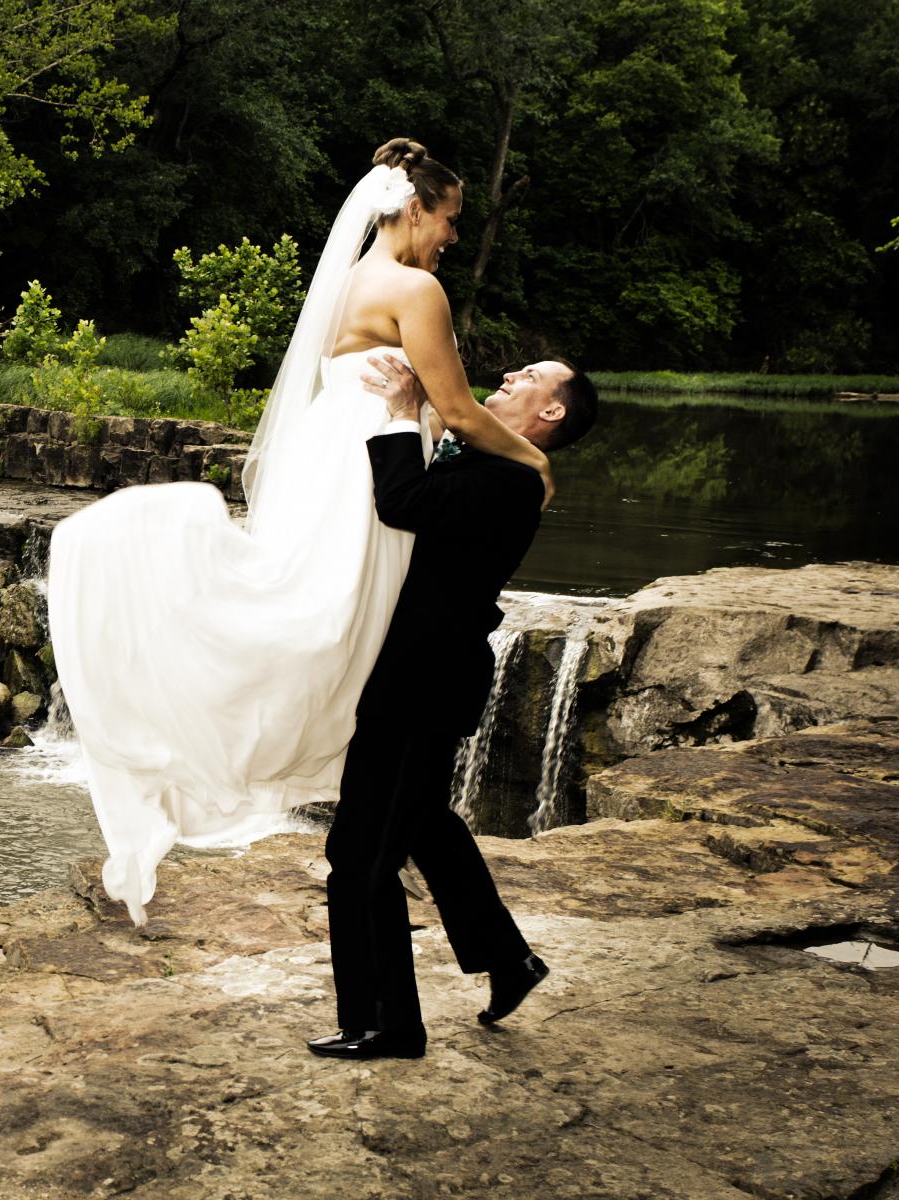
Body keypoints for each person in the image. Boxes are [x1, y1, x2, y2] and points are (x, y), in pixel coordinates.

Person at [47, 138, 550, 925]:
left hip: (330, 452)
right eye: (450, 218)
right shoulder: (416, 289)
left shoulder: (350, 278)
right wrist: (532, 463)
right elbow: (456, 410)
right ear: (414, 208)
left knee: (310, 609)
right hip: (367, 463)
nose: (452, 236)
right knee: (323, 621)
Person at [308, 354, 599, 1060]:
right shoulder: (483, 458)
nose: (507, 374)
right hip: (413, 675)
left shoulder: (512, 478)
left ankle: (386, 1024)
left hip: (422, 682)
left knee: (359, 854)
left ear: (550, 411)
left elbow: (402, 503)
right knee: (422, 825)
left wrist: (405, 413)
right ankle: (507, 958)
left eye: (527, 375)